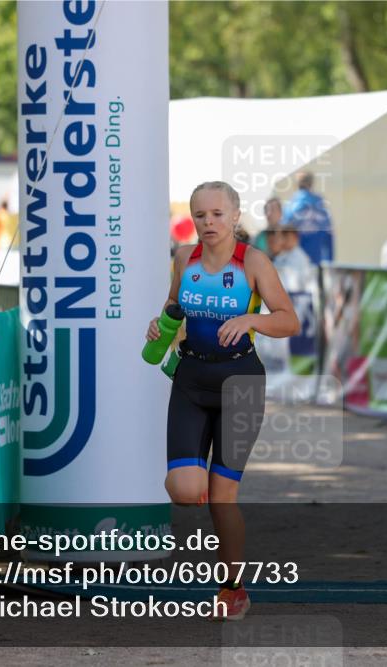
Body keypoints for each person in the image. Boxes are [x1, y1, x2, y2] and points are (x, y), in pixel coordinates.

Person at [146, 181, 299, 621]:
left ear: (235, 216)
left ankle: (232, 588)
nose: (208, 223)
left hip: (241, 384)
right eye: (200, 215)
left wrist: (251, 317)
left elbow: (289, 320)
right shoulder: (183, 259)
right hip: (191, 379)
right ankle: (205, 492)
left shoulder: (253, 262)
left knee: (221, 497)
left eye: (217, 214)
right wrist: (160, 329)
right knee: (184, 489)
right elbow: (174, 309)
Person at [281, 171, 334, 265]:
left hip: (295, 263)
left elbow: (282, 233)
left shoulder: (290, 207)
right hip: (317, 261)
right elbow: (329, 237)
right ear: (312, 183)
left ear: (296, 184)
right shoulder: (321, 207)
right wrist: (329, 262)